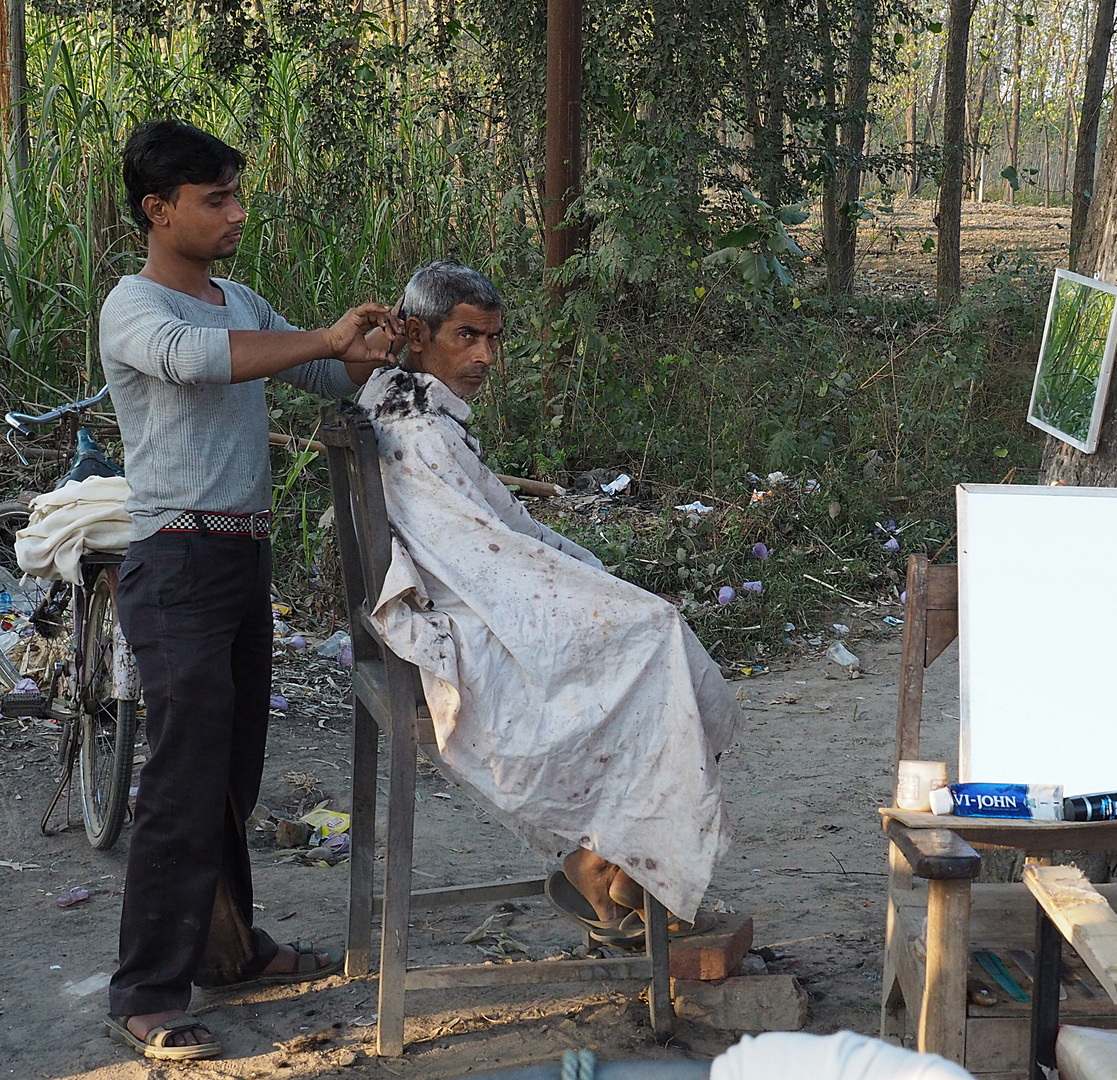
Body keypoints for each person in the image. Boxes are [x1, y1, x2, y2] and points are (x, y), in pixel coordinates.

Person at [98, 119, 403, 1062]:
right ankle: (145, 991)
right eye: (214, 199)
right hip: (176, 562)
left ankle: (229, 951)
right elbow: (203, 362)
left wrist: (375, 342)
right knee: (183, 779)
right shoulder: (138, 309)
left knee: (229, 770)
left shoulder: (241, 299)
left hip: (237, 561)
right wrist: (321, 336)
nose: (235, 213)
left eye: (236, 195)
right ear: (159, 211)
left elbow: (317, 372)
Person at [357, 261, 742, 938]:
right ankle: (612, 861)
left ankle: (618, 860)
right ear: (416, 334)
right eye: (466, 336)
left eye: (492, 339)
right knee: (656, 638)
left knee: (648, 626)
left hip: (474, 594)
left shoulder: (401, 402)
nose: (483, 356)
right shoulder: (414, 429)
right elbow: (485, 558)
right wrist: (585, 596)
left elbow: (505, 532)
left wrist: (585, 573)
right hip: (466, 616)